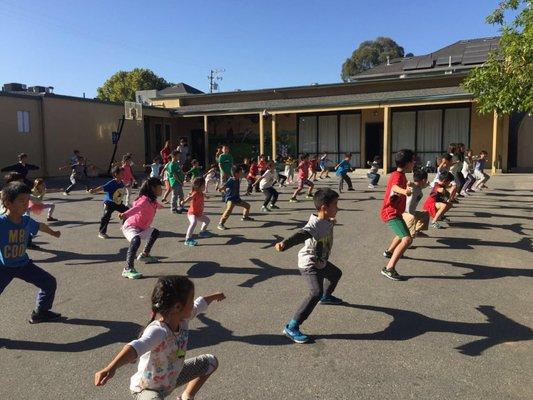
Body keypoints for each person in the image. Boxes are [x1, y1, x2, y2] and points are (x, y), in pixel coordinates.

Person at [94, 276, 225, 400]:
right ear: (178, 307)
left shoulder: (183, 319)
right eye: (190, 300)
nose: (193, 303)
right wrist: (111, 367)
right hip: (147, 388)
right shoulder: (159, 331)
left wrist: (214, 296)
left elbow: (199, 304)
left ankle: (186, 397)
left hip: (172, 377)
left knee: (210, 362)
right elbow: (135, 347)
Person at [275, 188, 343, 344]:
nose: (338, 208)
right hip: (309, 263)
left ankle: (326, 297)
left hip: (320, 261)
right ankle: (291, 327)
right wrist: (284, 244)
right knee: (315, 292)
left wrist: (331, 221)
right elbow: (302, 234)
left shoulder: (325, 219)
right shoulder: (315, 224)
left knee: (335, 274)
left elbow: (324, 224)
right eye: (335, 204)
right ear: (324, 208)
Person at [0, 181, 62, 324]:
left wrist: (54, 233)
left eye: (27, 200)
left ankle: (41, 313)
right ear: (8, 203)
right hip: (3, 268)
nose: (26, 204)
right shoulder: (1, 223)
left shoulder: (26, 220)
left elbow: (40, 226)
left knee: (49, 283)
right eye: (21, 201)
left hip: (24, 265)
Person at [118, 178, 164, 279]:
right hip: (131, 227)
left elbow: (156, 205)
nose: (161, 189)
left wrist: (162, 206)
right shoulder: (144, 200)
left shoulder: (152, 200)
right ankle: (128, 269)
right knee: (136, 240)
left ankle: (145, 255)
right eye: (159, 187)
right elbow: (136, 208)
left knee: (154, 232)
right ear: (152, 188)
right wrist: (124, 214)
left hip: (142, 228)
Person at [380, 149, 414, 281]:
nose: (414, 163)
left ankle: (389, 252)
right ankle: (389, 269)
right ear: (407, 163)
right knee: (407, 239)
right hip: (390, 212)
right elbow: (394, 187)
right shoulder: (397, 175)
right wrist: (405, 191)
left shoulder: (401, 175)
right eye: (412, 161)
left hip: (395, 212)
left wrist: (410, 185)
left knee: (401, 235)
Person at [89, 166, 128, 239]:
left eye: (123, 173)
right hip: (109, 203)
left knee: (128, 212)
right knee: (106, 216)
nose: (123, 175)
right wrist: (93, 191)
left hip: (117, 203)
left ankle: (125, 227)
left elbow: (121, 191)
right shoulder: (112, 183)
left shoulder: (122, 183)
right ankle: (101, 232)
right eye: (121, 173)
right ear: (116, 174)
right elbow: (102, 187)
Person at [217, 166, 253, 230]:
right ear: (236, 173)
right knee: (229, 209)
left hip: (236, 198)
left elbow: (245, 176)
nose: (242, 173)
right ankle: (220, 224)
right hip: (230, 198)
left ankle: (245, 217)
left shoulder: (237, 179)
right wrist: (220, 189)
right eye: (240, 172)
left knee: (247, 206)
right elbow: (224, 186)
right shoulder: (231, 180)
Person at [182, 177, 211, 246]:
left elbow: (204, 195)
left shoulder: (201, 193)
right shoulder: (195, 193)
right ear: (198, 186)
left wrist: (206, 197)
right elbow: (190, 197)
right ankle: (188, 239)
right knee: (193, 222)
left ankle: (202, 232)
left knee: (207, 220)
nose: (205, 186)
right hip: (192, 213)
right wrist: (184, 202)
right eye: (204, 185)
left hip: (198, 213)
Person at [402, 170, 429, 238]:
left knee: (425, 215)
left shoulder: (420, 186)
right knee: (410, 235)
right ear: (424, 180)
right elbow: (410, 184)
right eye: (426, 180)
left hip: (412, 212)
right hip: (406, 213)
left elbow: (424, 186)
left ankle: (417, 231)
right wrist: (409, 184)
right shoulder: (413, 187)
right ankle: (406, 242)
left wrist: (427, 184)